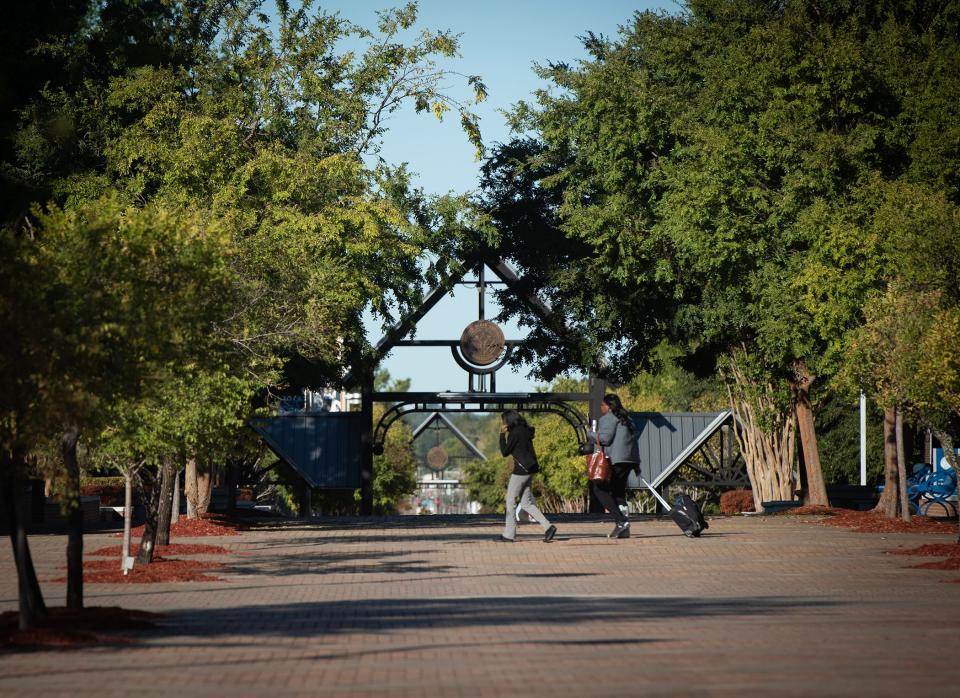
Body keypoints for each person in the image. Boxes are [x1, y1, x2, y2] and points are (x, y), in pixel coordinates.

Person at [496, 410, 557, 543]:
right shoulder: (524, 430)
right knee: (526, 503)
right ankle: (548, 527)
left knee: (510, 502)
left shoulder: (515, 433)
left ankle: (509, 534)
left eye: (504, 421)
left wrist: (501, 435)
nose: (503, 423)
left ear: (509, 421)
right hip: (530, 469)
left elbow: (505, 452)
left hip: (520, 471)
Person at [589, 394, 640, 539]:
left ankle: (621, 521)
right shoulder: (627, 418)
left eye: (602, 405)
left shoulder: (608, 418)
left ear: (609, 406)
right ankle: (624, 529)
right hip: (629, 459)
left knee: (599, 488)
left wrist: (590, 434)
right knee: (618, 493)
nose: (601, 408)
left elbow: (604, 438)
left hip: (616, 459)